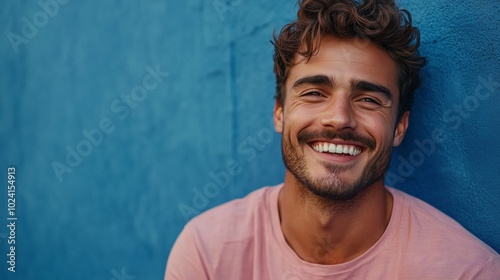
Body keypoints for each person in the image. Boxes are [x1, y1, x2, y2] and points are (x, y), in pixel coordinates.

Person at [165, 0, 500, 279]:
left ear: (399, 127)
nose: (339, 118)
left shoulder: (467, 271)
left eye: (369, 99)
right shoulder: (207, 255)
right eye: (314, 93)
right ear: (279, 112)